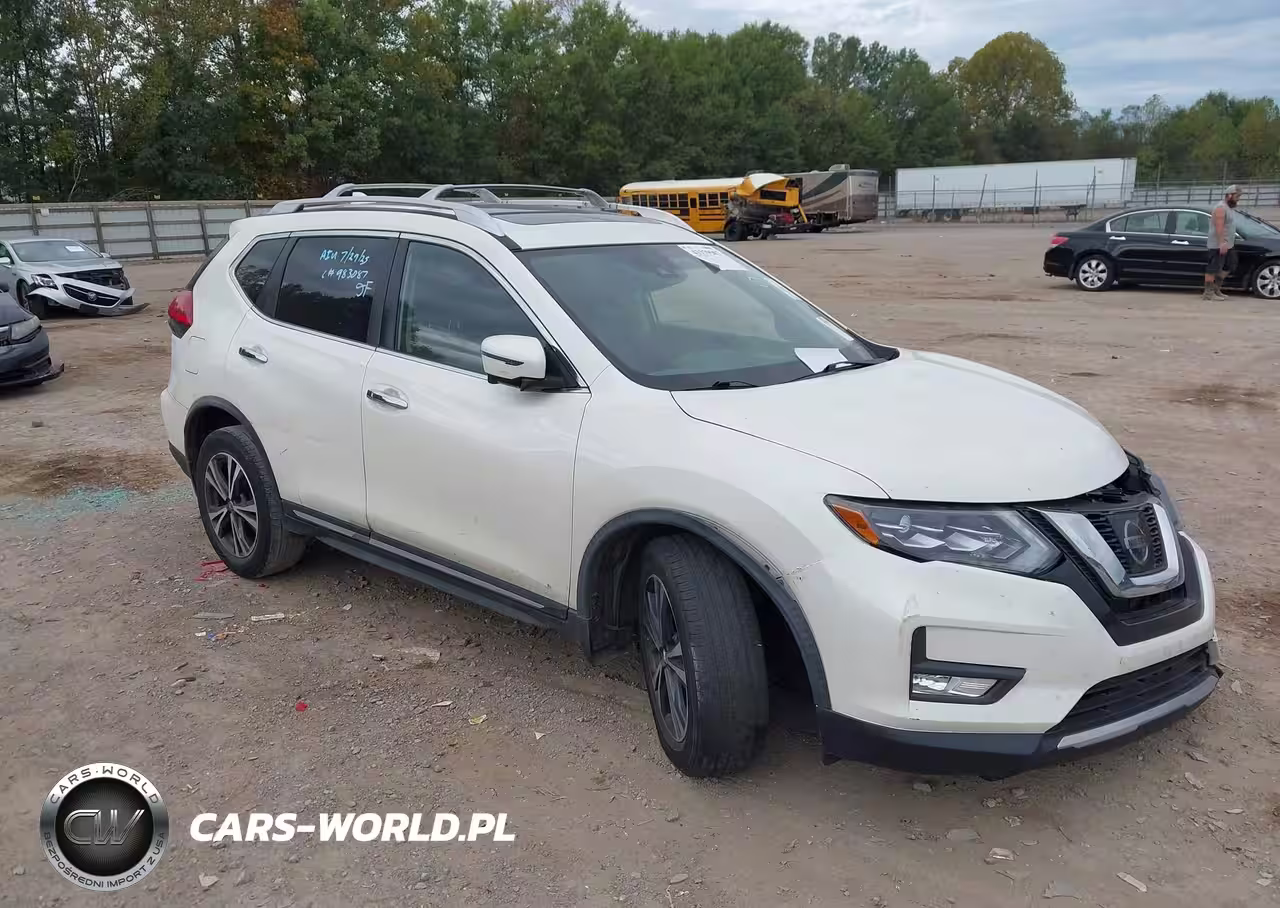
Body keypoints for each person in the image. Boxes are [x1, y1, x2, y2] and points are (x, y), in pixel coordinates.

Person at [1203, 184, 1242, 301]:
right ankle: (1208, 293)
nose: (1238, 199)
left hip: (1228, 244)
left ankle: (1216, 288)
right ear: (1229, 195)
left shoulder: (1229, 208)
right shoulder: (1221, 208)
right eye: (1237, 196)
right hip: (1217, 244)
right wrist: (1221, 243)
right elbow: (1219, 226)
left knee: (1231, 265)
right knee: (1213, 268)